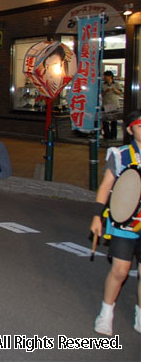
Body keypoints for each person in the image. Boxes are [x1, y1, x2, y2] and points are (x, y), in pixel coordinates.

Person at [90, 109, 141, 337]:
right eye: (140, 126)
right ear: (130, 129)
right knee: (120, 271)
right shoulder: (120, 154)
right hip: (125, 221)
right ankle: (106, 312)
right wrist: (96, 215)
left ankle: (140, 313)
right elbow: (105, 185)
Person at [102, 71, 123, 140]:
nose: (104, 77)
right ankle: (106, 135)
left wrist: (114, 90)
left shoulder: (116, 84)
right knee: (105, 121)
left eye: (106, 76)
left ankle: (113, 136)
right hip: (105, 103)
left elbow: (120, 93)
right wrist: (106, 91)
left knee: (114, 121)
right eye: (104, 76)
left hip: (114, 103)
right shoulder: (103, 84)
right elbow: (101, 94)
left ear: (110, 76)